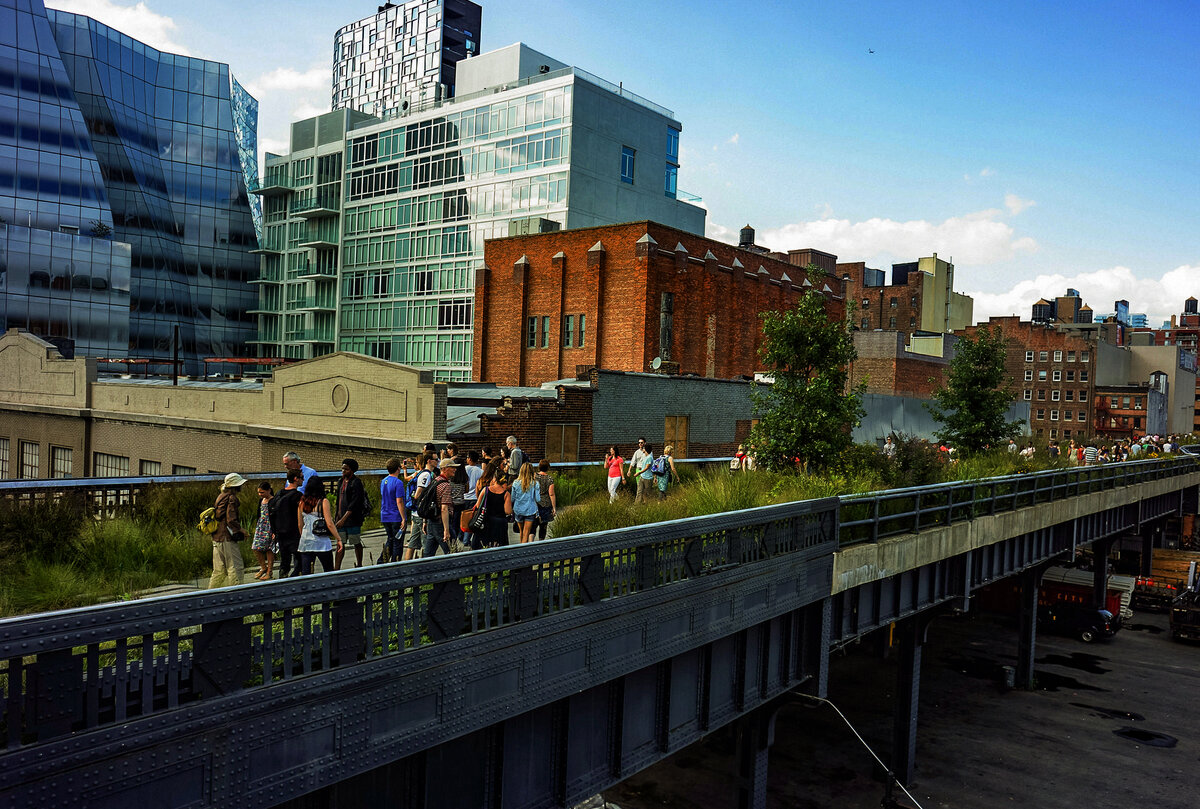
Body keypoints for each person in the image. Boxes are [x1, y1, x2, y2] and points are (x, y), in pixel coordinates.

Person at [297, 476, 342, 575]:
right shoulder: (323, 502)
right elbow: (329, 523)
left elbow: (300, 524)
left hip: (305, 542)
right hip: (321, 542)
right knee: (328, 570)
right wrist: (338, 539)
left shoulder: (302, 502)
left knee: (306, 573)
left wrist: (303, 536)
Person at [209, 472, 247, 589]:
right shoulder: (232, 498)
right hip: (227, 537)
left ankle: (209, 594)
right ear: (236, 486)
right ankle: (236, 596)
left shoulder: (221, 496)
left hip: (217, 536)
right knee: (235, 568)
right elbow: (231, 520)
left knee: (219, 570)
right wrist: (241, 530)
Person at [270, 469, 304, 577]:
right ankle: (295, 579)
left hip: (280, 532)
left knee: (284, 560)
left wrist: (274, 530)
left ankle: (283, 578)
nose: (303, 480)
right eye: (301, 478)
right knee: (299, 559)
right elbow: (301, 516)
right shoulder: (298, 496)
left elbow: (272, 513)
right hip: (294, 532)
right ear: (295, 479)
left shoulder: (279, 494)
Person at [334, 458, 367, 569]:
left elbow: (355, 503)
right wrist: (337, 517)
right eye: (342, 468)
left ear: (352, 470)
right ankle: (336, 568)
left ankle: (359, 564)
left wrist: (344, 518)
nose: (343, 471)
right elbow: (338, 500)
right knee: (340, 543)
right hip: (340, 519)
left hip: (352, 519)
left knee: (356, 542)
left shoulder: (356, 482)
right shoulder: (340, 481)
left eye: (346, 469)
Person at [422, 458, 457, 558]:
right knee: (452, 551)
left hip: (431, 521)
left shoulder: (434, 481)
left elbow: (427, 502)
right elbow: (444, 508)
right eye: (452, 468)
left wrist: (425, 521)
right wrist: (446, 529)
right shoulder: (445, 485)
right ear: (445, 469)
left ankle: (423, 571)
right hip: (441, 522)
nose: (455, 470)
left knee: (428, 554)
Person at [408, 453, 438, 559]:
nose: (438, 461)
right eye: (436, 459)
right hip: (421, 515)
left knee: (412, 543)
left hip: (416, 513)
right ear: (429, 461)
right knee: (426, 544)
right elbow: (418, 494)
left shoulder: (428, 474)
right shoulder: (426, 475)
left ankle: (407, 566)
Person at [478, 466, 513, 548]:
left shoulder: (485, 490)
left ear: (494, 478)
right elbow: (508, 511)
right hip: (500, 523)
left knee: (487, 544)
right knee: (500, 545)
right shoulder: (506, 494)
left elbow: (478, 505)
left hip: (487, 521)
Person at [380, 457, 406, 564]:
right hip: (395, 515)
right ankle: (396, 563)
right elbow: (399, 501)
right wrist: (403, 518)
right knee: (397, 542)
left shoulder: (383, 481)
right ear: (398, 469)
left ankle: (382, 561)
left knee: (390, 539)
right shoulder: (398, 482)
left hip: (385, 515)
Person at [510, 461, 541, 543]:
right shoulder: (535, 483)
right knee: (526, 533)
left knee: (521, 532)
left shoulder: (515, 483)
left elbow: (512, 498)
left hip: (518, 510)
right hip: (530, 510)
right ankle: (524, 552)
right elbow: (538, 499)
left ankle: (521, 548)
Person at [251, 481, 276, 580]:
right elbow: (259, 514)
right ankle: (263, 567)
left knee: (269, 549)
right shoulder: (261, 501)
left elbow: (276, 516)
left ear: (268, 490)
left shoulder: (273, 501)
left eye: (262, 492)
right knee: (255, 547)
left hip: (270, 527)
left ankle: (269, 572)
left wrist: (275, 531)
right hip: (261, 526)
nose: (260, 494)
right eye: (259, 492)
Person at [534, 459, 557, 540]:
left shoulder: (534, 477)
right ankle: (541, 541)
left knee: (533, 526)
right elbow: (551, 494)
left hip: (535, 503)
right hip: (545, 504)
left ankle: (530, 541)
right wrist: (554, 507)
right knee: (543, 526)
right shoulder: (549, 479)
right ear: (548, 468)